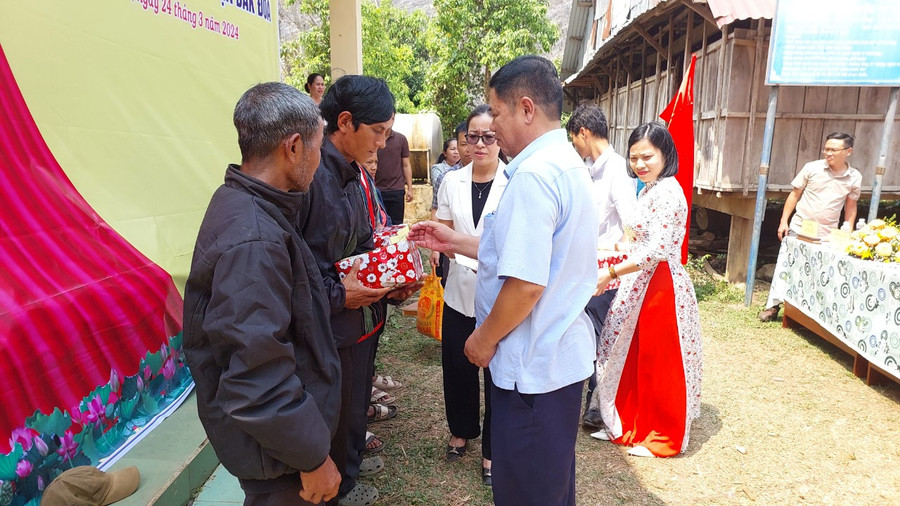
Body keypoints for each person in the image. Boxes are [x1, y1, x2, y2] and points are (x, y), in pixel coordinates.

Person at [409, 55, 598, 505]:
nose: (491, 125)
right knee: (549, 487)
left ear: (526, 109)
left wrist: (482, 340)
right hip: (553, 367)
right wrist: (455, 241)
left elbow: (527, 284)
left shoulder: (535, 176)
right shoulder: (562, 164)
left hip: (534, 370)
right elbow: (517, 255)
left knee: (527, 492)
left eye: (496, 112)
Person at [183, 82, 341, 505]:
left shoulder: (243, 201)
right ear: (293, 148)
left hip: (277, 445)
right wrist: (312, 457)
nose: (320, 161)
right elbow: (256, 376)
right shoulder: (255, 239)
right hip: (279, 458)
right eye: (318, 149)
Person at [297, 75, 413, 506]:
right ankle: (339, 484)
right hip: (334, 318)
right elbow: (303, 263)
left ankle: (349, 461)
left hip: (359, 314)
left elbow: (361, 240)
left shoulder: (349, 172)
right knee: (337, 405)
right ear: (345, 122)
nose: (383, 143)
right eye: (378, 132)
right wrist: (337, 293)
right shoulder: (313, 176)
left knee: (355, 398)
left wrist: (390, 274)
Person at [588, 122, 703, 459]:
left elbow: (657, 250)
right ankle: (631, 422)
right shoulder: (649, 188)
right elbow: (638, 241)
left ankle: (662, 434)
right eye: (634, 157)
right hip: (640, 281)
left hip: (660, 286)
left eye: (647, 156)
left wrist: (609, 271)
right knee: (632, 355)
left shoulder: (669, 192)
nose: (639, 164)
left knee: (658, 360)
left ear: (665, 154)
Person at [436, 104, 508, 486]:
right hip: (460, 288)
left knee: (496, 373)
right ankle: (461, 429)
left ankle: (493, 451)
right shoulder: (452, 181)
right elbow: (445, 234)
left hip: (500, 293)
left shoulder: (514, 182)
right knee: (458, 366)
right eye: (472, 136)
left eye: (488, 136)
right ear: (464, 140)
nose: (480, 144)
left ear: (499, 139)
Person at [565, 104, 637, 430]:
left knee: (600, 338)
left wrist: (613, 255)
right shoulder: (590, 168)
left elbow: (632, 224)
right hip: (587, 269)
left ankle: (597, 404)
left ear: (584, 133)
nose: (574, 147)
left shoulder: (617, 169)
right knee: (589, 335)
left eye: (574, 139)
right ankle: (593, 400)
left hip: (606, 274)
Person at [758, 132, 861, 322]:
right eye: (826, 149)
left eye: (833, 150)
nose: (828, 153)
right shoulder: (812, 168)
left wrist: (848, 231)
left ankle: (810, 314)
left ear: (848, 151)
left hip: (828, 234)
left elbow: (851, 206)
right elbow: (794, 195)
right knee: (787, 267)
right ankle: (773, 307)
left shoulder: (854, 177)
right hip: (801, 227)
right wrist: (783, 221)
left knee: (821, 273)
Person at [430, 122, 472, 281]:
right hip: (453, 251)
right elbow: (436, 211)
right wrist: (435, 249)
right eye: (464, 143)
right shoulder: (447, 178)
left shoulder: (505, 176)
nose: (469, 148)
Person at [374, 129, 413, 225]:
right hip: (377, 190)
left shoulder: (401, 139)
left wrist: (410, 189)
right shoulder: (373, 137)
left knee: (397, 225)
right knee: (379, 223)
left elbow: (406, 165)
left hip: (396, 189)